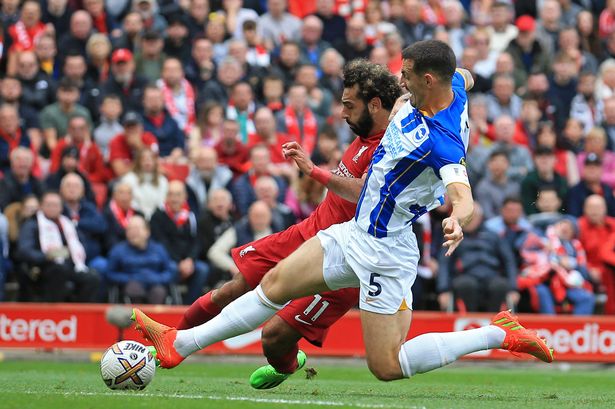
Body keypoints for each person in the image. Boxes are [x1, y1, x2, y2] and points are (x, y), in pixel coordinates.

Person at [133, 42, 553, 384]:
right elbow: (463, 76)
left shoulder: (442, 142)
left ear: (427, 80)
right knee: (274, 282)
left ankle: (500, 333)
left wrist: (457, 218)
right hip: (355, 233)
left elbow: (462, 192)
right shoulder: (450, 88)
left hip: (389, 252)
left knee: (386, 367)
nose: (398, 81)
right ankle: (178, 344)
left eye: (405, 74)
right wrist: (463, 77)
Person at [183, 59, 401, 386]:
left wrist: (314, 170)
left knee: (273, 338)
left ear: (373, 105)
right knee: (233, 288)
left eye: (348, 105)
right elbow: (441, 80)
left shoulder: (393, 145)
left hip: (345, 257)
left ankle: (287, 364)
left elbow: (367, 193)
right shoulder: (370, 126)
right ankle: (169, 339)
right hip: (308, 232)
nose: (342, 113)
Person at [17, 191, 100, 302]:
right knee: (59, 271)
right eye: (49, 205)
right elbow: (24, 250)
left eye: (56, 205)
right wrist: (47, 256)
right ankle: (54, 313)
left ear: (61, 207)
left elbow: (81, 244)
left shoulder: (67, 223)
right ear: (41, 206)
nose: (52, 208)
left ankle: (79, 313)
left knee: (92, 278)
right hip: (42, 267)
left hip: (69, 264)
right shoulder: (32, 224)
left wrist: (71, 253)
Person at [150, 181, 209, 305]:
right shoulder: (158, 216)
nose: (174, 199)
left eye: (178, 195)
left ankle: (190, 306)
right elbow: (161, 243)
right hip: (168, 260)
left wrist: (190, 260)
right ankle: (174, 305)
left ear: (185, 197)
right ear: (166, 197)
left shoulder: (191, 216)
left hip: (187, 261)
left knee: (202, 269)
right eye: (171, 194)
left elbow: (197, 242)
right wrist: (179, 262)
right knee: (171, 268)